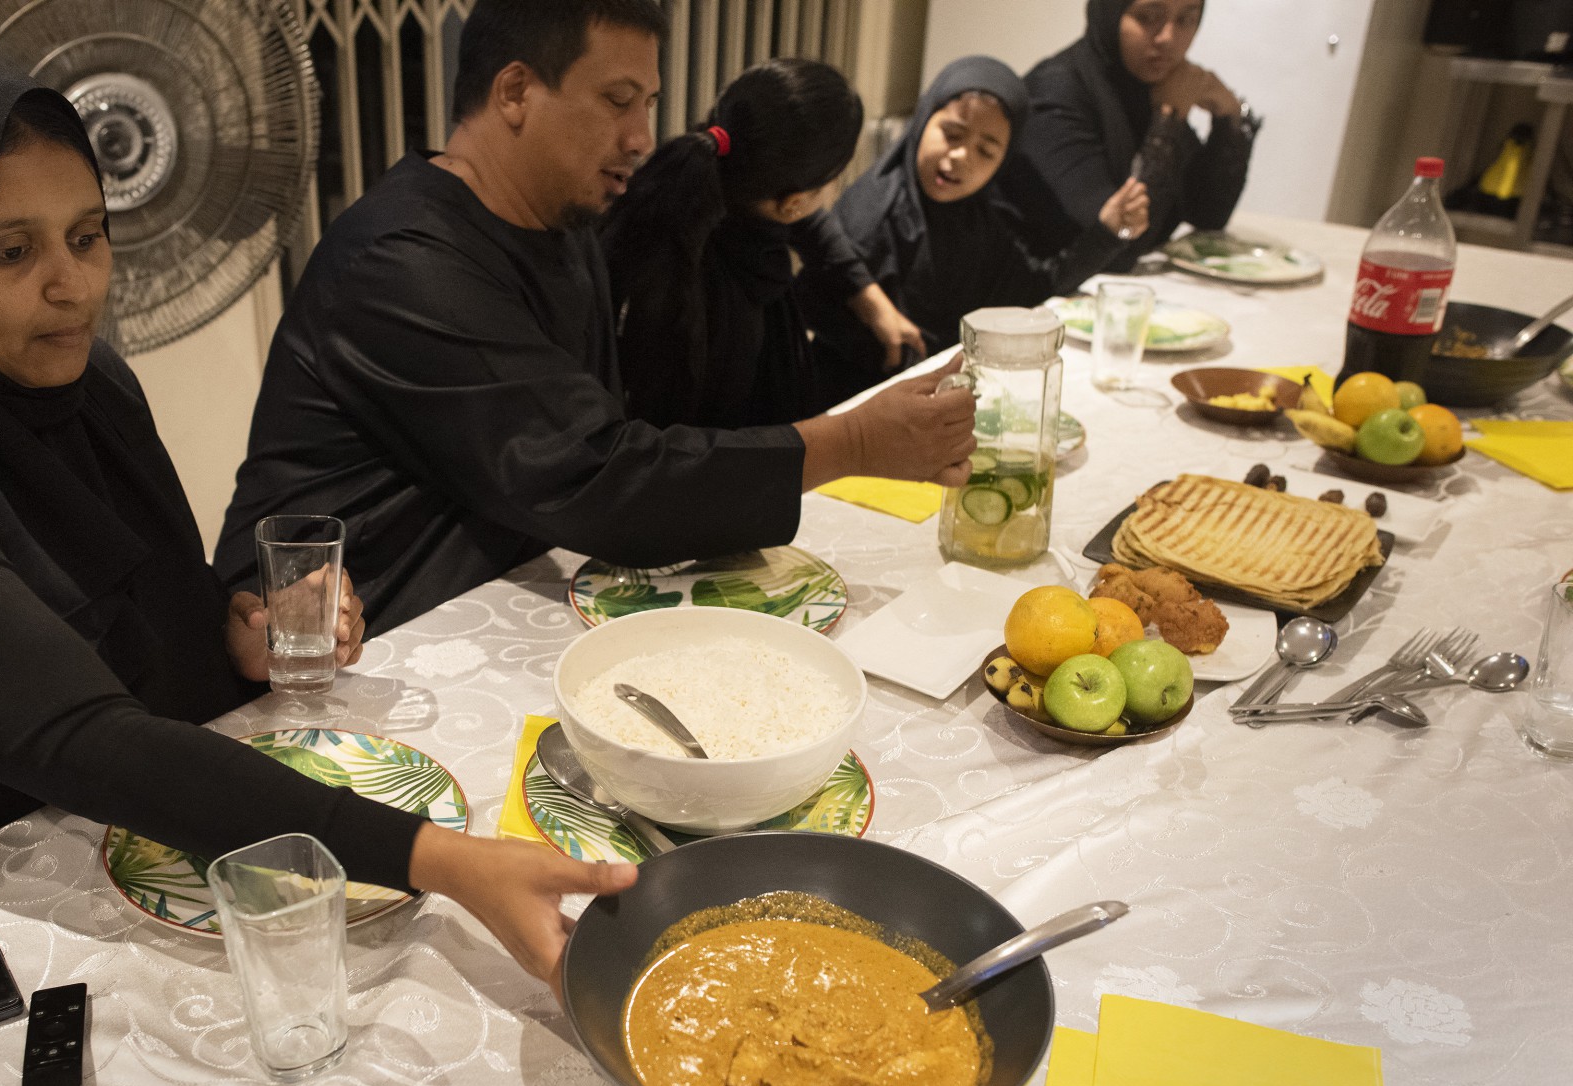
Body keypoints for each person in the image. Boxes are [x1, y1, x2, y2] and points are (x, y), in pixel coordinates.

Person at [0, 57, 632, 994]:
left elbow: (138, 602)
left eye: (87, 235)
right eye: (11, 252)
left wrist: (231, 637)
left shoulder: (85, 385)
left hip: (71, 829)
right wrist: (447, 861)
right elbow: (93, 739)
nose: (73, 285)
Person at [214, 0, 978, 634]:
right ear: (515, 92)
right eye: (618, 101)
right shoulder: (403, 262)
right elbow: (593, 474)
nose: (643, 136)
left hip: (487, 600)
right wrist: (853, 440)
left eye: (647, 104)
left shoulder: (563, 221)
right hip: (347, 641)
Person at [797, 56, 1150, 403]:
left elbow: (1036, 288)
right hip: (862, 405)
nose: (962, 157)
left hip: (949, 395)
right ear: (922, 120)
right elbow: (816, 309)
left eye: (986, 151)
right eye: (952, 134)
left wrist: (1107, 233)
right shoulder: (872, 215)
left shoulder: (983, 219)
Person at [599, 58, 923, 429]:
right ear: (793, 204)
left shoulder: (684, 193)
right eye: (834, 178)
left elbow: (807, 219)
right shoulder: (734, 317)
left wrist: (869, 298)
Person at [1000, 0, 1257, 272]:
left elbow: (1208, 214)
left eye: (1186, 20)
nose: (1167, 38)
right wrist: (1168, 120)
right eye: (1148, 17)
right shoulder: (1055, 95)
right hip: (1030, 303)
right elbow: (1115, 250)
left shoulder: (1147, 86)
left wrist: (1229, 116)